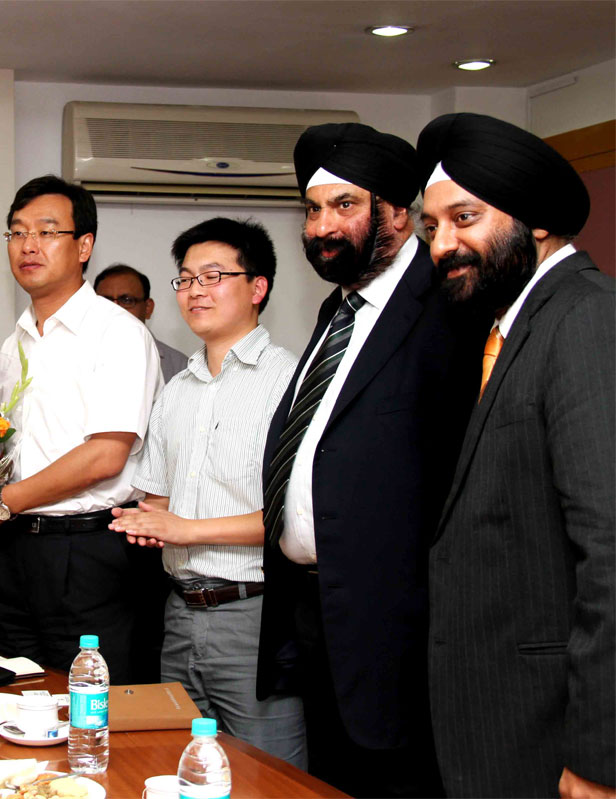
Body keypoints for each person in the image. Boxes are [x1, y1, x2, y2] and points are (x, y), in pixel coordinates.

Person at [255, 123, 485, 797]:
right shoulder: (339, 307)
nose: (324, 226)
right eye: (313, 208)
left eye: (345, 205)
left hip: (401, 633)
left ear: (398, 211)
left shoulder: (449, 305)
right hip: (315, 614)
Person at [418, 112, 615, 799]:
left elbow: (611, 549)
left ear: (533, 220)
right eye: (431, 226)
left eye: (464, 218)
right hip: (500, 721)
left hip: (555, 731)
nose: (443, 244)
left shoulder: (586, 318)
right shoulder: (510, 327)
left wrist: (600, 754)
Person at [0, 175, 162, 684]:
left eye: (46, 231)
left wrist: (1, 503)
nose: (28, 245)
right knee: (21, 695)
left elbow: (106, 454)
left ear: (84, 245)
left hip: (87, 553)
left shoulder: (117, 333)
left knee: (91, 707)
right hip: (19, 549)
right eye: (16, 233)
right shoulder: (13, 343)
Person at [109, 218, 305, 767]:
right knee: (183, 768)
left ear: (257, 287)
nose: (195, 289)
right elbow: (162, 498)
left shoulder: (290, 382)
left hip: (255, 617)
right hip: (180, 612)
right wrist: (145, 522)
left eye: (214, 276)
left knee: (267, 776)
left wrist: (184, 529)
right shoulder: (177, 390)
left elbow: (297, 518)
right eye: (186, 278)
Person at [94, 263, 189, 381]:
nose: (115, 309)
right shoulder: (74, 356)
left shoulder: (181, 368)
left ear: (148, 308)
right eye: (105, 301)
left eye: (127, 300)